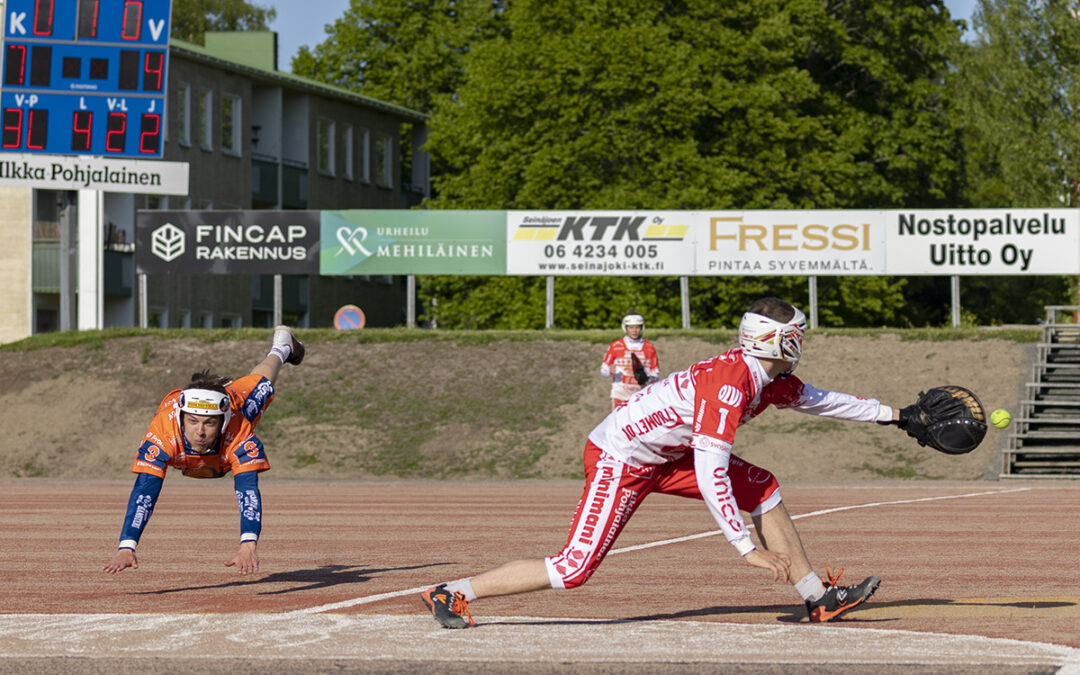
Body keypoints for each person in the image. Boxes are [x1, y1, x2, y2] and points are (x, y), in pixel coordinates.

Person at [422, 297, 894, 628]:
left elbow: (822, 400)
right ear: (780, 342)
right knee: (572, 570)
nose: (802, 342)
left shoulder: (762, 376)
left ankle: (817, 599)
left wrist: (897, 416)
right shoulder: (730, 384)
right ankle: (452, 591)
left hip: (665, 455)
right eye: (797, 335)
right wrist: (745, 547)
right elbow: (712, 473)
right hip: (620, 459)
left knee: (763, 488)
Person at [102, 325, 304, 576]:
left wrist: (248, 543)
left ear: (222, 422)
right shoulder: (164, 433)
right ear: (181, 418)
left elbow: (247, 491)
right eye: (193, 421)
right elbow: (145, 491)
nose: (200, 432)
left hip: (232, 416)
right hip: (186, 450)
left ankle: (282, 347)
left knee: (261, 383)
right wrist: (127, 545)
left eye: (209, 423)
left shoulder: (238, 429)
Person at [601, 313, 660, 410]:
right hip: (620, 394)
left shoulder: (649, 347)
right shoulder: (615, 346)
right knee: (619, 424)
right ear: (625, 328)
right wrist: (609, 371)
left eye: (637, 327)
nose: (634, 331)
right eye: (631, 327)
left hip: (641, 395)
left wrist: (647, 378)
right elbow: (604, 371)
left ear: (642, 328)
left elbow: (655, 373)